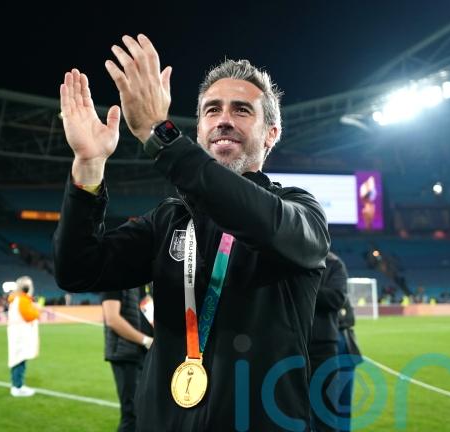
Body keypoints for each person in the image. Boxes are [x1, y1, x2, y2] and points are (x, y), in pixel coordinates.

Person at [53, 34, 330, 430]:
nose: (223, 119)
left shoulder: (299, 211)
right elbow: (77, 269)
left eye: (241, 110)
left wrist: (159, 134)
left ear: (271, 132)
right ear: (199, 130)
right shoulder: (169, 220)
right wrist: (88, 165)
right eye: (212, 110)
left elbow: (260, 220)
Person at [309, 252, 362, 432]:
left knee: (336, 405)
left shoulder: (334, 264)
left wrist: (305, 290)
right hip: (324, 343)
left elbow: (343, 309)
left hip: (336, 344)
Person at [102, 285, 154, 432]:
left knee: (145, 413)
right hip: (126, 354)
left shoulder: (144, 283)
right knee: (132, 414)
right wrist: (145, 340)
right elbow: (112, 319)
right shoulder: (114, 280)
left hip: (146, 354)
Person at [7, 276, 40, 397]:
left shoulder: (17, 299)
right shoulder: (22, 300)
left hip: (17, 333)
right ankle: (18, 387)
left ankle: (17, 385)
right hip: (20, 335)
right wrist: (37, 311)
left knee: (18, 359)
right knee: (19, 360)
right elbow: (29, 316)